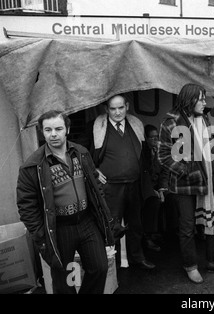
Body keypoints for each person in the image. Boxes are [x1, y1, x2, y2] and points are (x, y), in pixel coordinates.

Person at [16, 110, 115, 294]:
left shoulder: (81, 153)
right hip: (60, 229)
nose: (53, 134)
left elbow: (95, 184)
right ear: (42, 132)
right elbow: (26, 206)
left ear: (67, 129)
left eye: (58, 129)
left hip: (87, 223)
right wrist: (41, 236)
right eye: (48, 130)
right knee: (66, 281)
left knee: (100, 268)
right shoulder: (32, 166)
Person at [159, 83, 214, 283]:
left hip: (207, 182)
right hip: (184, 185)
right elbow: (164, 156)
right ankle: (190, 266)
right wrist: (186, 171)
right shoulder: (171, 123)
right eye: (200, 99)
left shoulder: (205, 119)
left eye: (204, 98)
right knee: (187, 227)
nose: (204, 102)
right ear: (189, 100)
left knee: (213, 221)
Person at [84, 94, 155, 270]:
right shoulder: (96, 126)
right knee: (110, 225)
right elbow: (79, 151)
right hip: (110, 187)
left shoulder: (136, 124)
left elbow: (145, 154)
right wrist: (93, 170)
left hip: (134, 184)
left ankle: (137, 257)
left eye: (120, 108)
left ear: (127, 106)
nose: (117, 112)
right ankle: (111, 265)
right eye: (113, 109)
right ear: (106, 109)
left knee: (136, 224)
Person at [141, 124, 168, 252]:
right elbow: (143, 174)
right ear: (145, 138)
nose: (155, 140)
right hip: (144, 188)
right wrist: (153, 191)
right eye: (151, 138)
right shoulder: (143, 152)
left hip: (156, 187)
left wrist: (162, 189)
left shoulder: (158, 151)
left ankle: (159, 231)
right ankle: (147, 236)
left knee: (170, 198)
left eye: (156, 137)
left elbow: (163, 172)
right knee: (153, 202)